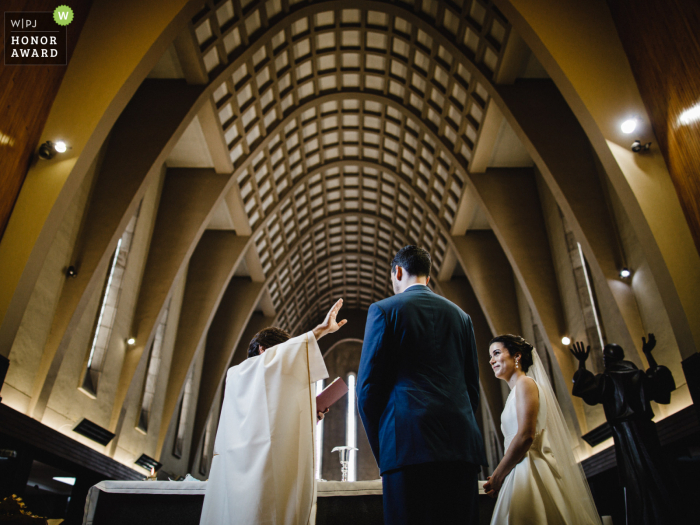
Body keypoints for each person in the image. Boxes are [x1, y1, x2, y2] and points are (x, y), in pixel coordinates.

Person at [357, 245, 486, 525]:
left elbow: (367, 390)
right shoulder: (462, 317)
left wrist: (385, 450)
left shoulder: (384, 310)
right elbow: (471, 388)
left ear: (398, 272)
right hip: (459, 447)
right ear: (428, 277)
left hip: (406, 445)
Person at [199, 299, 347, 525]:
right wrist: (321, 330)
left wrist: (310, 417)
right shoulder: (240, 373)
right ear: (264, 351)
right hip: (245, 472)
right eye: (283, 353)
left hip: (270, 468)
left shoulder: (275, 381)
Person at [484, 334, 600, 525]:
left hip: (530, 468)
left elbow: (525, 436)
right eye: (490, 356)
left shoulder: (525, 383)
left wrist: (497, 476)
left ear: (517, 356)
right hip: (517, 468)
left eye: (496, 353)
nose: (491, 360)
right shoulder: (515, 392)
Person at [571, 335, 682, 525]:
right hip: (646, 429)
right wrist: (648, 354)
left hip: (625, 433)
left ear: (608, 360)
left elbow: (584, 387)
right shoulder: (638, 374)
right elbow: (657, 379)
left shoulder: (607, 379)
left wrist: (581, 362)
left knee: (636, 477)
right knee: (656, 470)